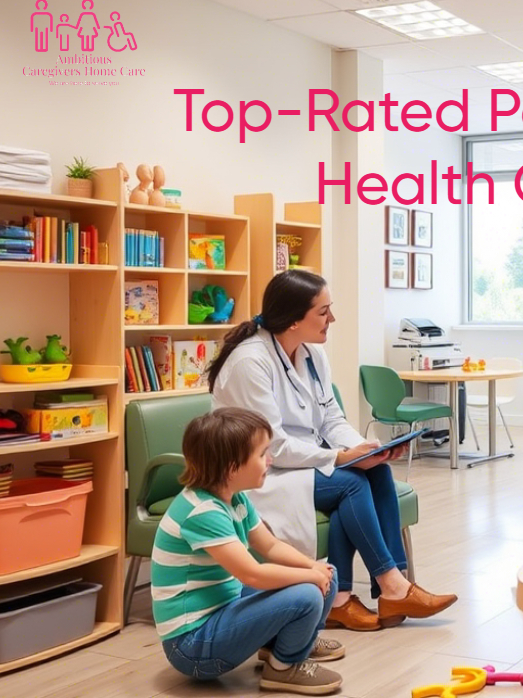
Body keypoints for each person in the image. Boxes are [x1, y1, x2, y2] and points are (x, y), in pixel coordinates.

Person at [209, 270, 456, 632]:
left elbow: (330, 419)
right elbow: (272, 444)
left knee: (373, 471)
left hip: (299, 464)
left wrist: (363, 448)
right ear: (294, 319)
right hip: (257, 472)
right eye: (324, 312)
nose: (333, 319)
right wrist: (338, 458)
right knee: (351, 484)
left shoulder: (311, 355)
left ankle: (354, 596)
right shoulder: (251, 362)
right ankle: (389, 587)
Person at [152, 408, 344, 695]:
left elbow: (270, 546)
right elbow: (252, 574)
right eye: (261, 454)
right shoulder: (202, 511)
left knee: (326, 573)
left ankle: (287, 644)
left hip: (222, 608)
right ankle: (284, 668)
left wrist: (312, 568)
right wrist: (308, 576)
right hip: (192, 646)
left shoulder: (234, 497)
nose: (270, 460)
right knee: (306, 593)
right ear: (232, 467)